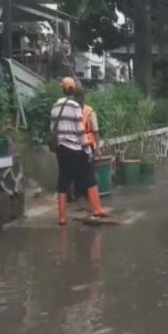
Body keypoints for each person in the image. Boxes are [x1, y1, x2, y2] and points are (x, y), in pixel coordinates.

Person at [51, 77, 108, 226]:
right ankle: (97, 209)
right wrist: (88, 152)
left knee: (63, 182)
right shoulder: (75, 107)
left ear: (62, 89)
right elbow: (80, 131)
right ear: (74, 90)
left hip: (61, 149)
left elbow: (52, 129)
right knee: (89, 177)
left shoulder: (56, 106)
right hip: (75, 149)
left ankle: (62, 217)